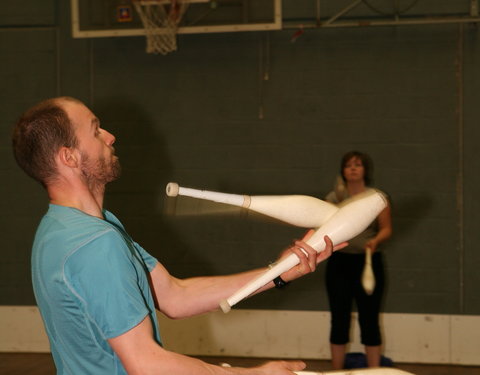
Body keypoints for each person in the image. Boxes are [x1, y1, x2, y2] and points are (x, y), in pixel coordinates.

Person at [12, 96, 346, 375]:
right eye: (96, 130)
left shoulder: (64, 229)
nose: (110, 137)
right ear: (69, 156)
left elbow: (175, 296)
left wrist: (278, 272)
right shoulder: (94, 244)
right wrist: (251, 374)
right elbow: (146, 362)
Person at [324, 151, 392, 370]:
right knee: (339, 320)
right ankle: (336, 372)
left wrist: (375, 241)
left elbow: (386, 229)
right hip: (339, 265)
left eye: (358, 164)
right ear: (343, 171)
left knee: (369, 320)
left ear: (365, 170)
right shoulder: (333, 198)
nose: (353, 168)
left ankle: (374, 372)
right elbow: (323, 230)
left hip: (368, 262)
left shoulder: (376, 198)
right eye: (348, 165)